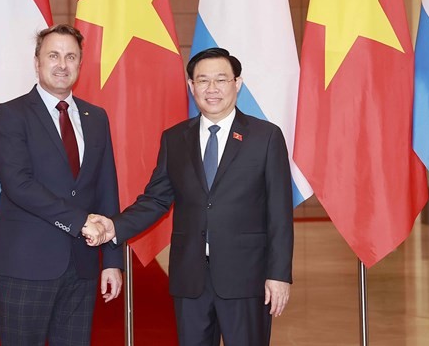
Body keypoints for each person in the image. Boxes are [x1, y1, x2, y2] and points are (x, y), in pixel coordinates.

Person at [89, 47, 293, 346]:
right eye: (203, 80)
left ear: (237, 84)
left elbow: (279, 212)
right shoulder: (175, 138)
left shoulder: (265, 137)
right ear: (191, 86)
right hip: (190, 278)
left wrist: (279, 275)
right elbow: (156, 199)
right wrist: (114, 227)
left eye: (221, 80)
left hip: (247, 279)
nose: (212, 89)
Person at [0, 24, 123, 346]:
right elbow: (19, 185)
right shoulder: (9, 116)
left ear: (79, 64)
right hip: (25, 264)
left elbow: (106, 189)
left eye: (71, 56)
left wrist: (112, 261)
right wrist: (81, 222)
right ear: (37, 62)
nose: (62, 64)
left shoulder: (96, 117)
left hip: (82, 265)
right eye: (53, 55)